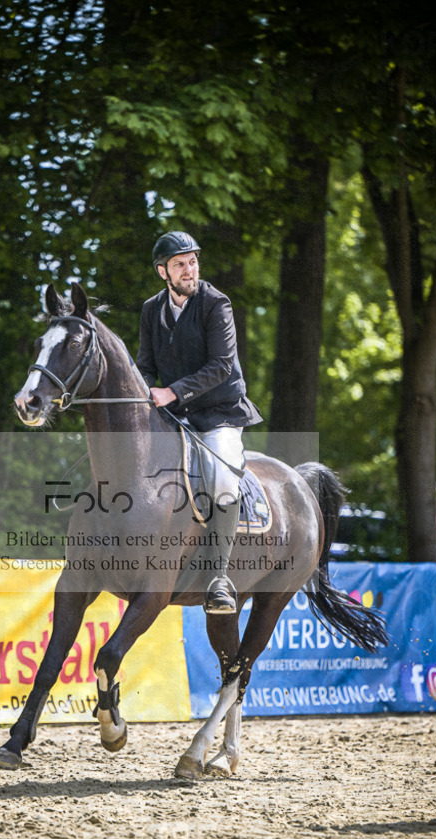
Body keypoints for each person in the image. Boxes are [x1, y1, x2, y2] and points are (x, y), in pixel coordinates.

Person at [137, 230, 262, 614]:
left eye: (192, 261)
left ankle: (219, 579)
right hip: (175, 416)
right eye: (180, 264)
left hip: (219, 412)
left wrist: (170, 392)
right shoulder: (151, 309)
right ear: (163, 272)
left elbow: (222, 366)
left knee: (223, 477)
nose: (189, 269)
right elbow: (145, 366)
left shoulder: (215, 304)